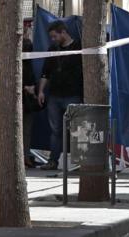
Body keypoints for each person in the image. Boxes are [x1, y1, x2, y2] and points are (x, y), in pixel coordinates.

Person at [38, 21, 83, 170]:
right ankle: (53, 161)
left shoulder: (79, 47)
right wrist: (41, 91)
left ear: (63, 32)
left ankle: (80, 163)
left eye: (54, 36)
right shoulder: (52, 49)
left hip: (74, 95)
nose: (53, 39)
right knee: (56, 130)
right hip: (54, 97)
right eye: (51, 37)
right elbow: (45, 73)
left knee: (78, 129)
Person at [22, 38, 37, 168]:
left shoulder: (29, 65)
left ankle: (25, 157)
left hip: (27, 102)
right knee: (24, 132)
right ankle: (24, 157)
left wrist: (32, 89)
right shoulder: (28, 64)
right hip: (23, 101)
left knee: (26, 131)